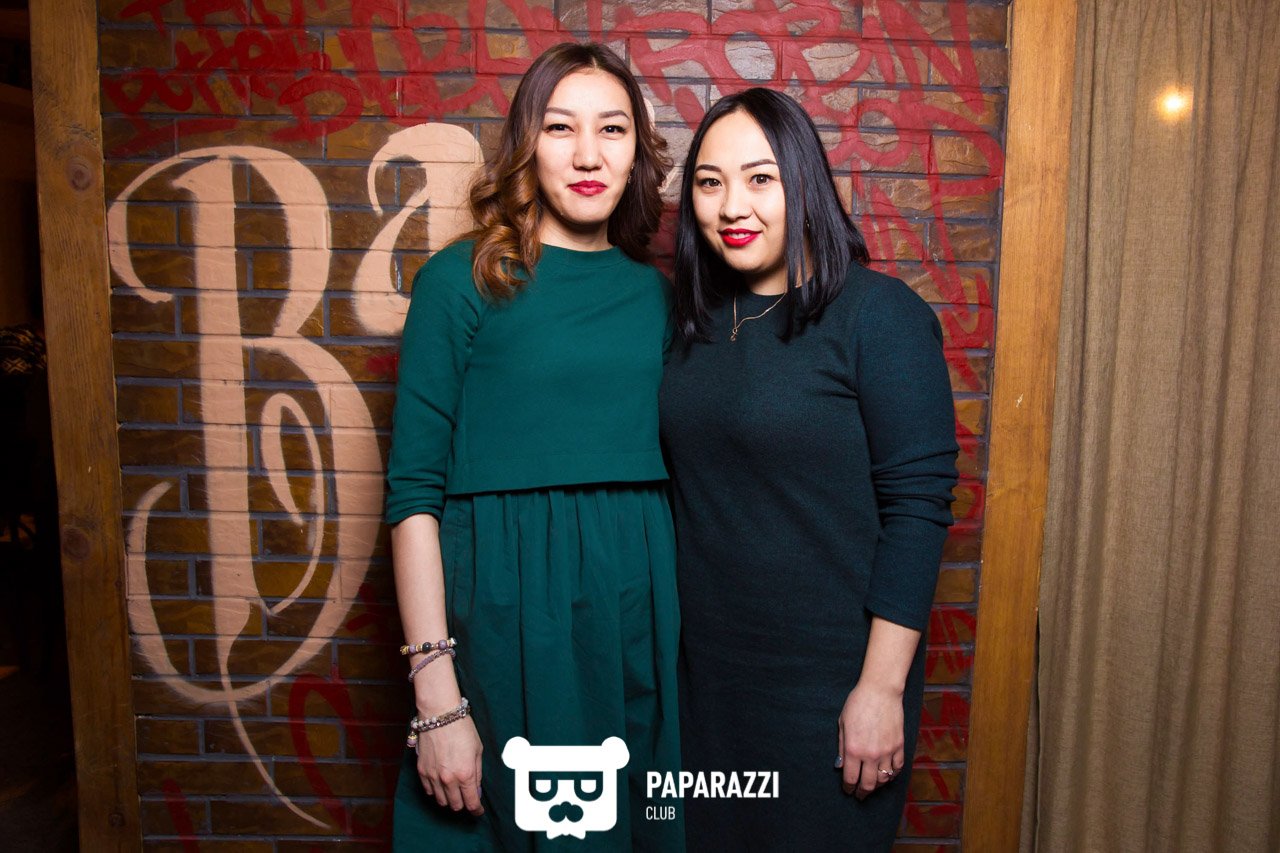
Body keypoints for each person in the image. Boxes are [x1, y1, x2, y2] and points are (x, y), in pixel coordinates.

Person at [384, 42, 682, 851]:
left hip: (632, 617)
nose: (588, 154)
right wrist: (436, 697)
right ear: (527, 142)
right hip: (504, 616)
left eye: (612, 129)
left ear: (638, 151)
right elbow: (413, 497)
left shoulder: (660, 299)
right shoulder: (461, 281)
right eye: (560, 128)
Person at [660, 88, 959, 851]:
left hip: (826, 690)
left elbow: (918, 510)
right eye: (710, 181)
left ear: (804, 181)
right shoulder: (691, 325)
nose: (733, 205)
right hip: (704, 688)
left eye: (761, 178)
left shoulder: (877, 315)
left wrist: (881, 688)